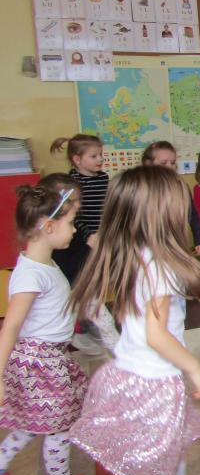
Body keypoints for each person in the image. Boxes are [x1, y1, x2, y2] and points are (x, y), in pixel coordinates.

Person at [68, 165, 200, 475]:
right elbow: (156, 334)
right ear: (160, 213)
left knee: (171, 455)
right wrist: (196, 367)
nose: (185, 211)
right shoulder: (159, 265)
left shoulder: (137, 254)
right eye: (179, 203)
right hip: (155, 381)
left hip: (136, 374)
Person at [0, 185, 108, 475]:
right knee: (60, 424)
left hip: (51, 357)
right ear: (48, 227)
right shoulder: (30, 274)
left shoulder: (45, 263)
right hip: (40, 361)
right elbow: (11, 326)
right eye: (71, 223)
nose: (74, 231)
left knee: (34, 423)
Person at [50, 134, 109, 355]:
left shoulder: (103, 179)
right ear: (77, 159)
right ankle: (76, 329)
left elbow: (106, 209)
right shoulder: (71, 184)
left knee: (95, 284)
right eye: (94, 156)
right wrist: (88, 235)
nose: (100, 159)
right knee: (78, 286)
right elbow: (73, 217)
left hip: (98, 241)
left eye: (100, 155)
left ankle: (92, 325)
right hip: (77, 243)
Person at [142, 140, 200, 257]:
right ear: (148, 164)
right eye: (163, 163)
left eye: (172, 163)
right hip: (150, 247)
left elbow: (193, 215)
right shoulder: (141, 190)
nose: (170, 167)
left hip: (177, 245)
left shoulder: (181, 187)